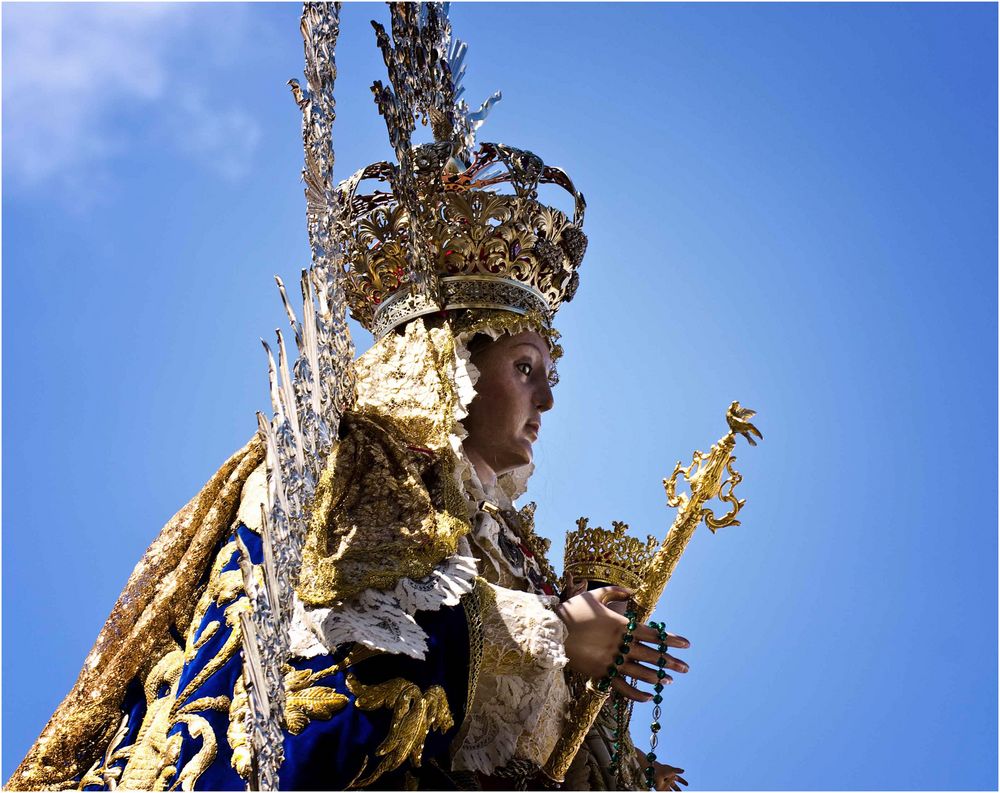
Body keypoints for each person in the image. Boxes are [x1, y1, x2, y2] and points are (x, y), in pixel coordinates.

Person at [7, 6, 690, 791]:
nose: (547, 402)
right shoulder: (357, 462)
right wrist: (552, 636)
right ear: (454, 363)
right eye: (527, 367)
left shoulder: (510, 546)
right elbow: (345, 660)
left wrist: (612, 756)